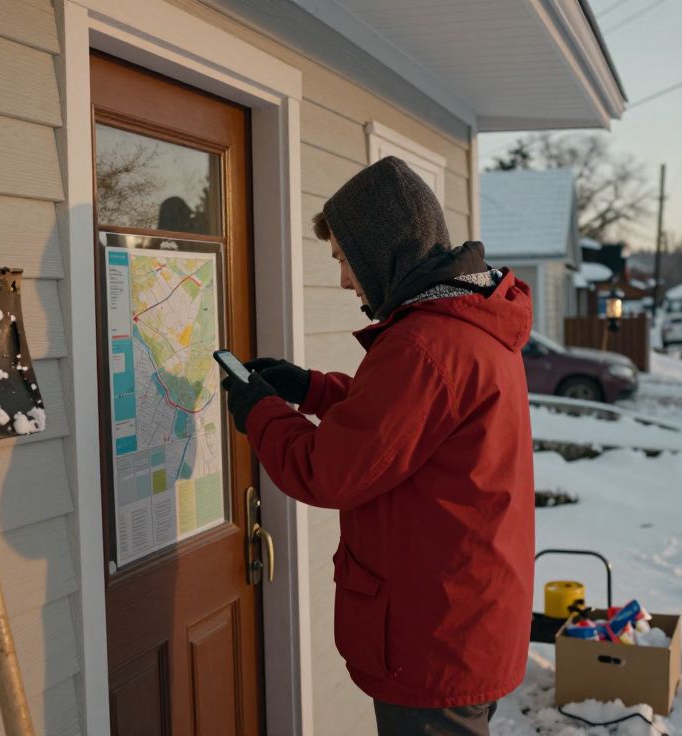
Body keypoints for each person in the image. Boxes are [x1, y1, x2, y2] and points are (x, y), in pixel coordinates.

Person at [221, 156, 534, 736]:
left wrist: (257, 410)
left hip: (432, 637)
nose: (343, 280)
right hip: (464, 618)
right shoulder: (469, 321)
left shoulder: (425, 343)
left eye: (344, 259)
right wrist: (311, 388)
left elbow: (327, 471)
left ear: (379, 251)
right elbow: (411, 426)